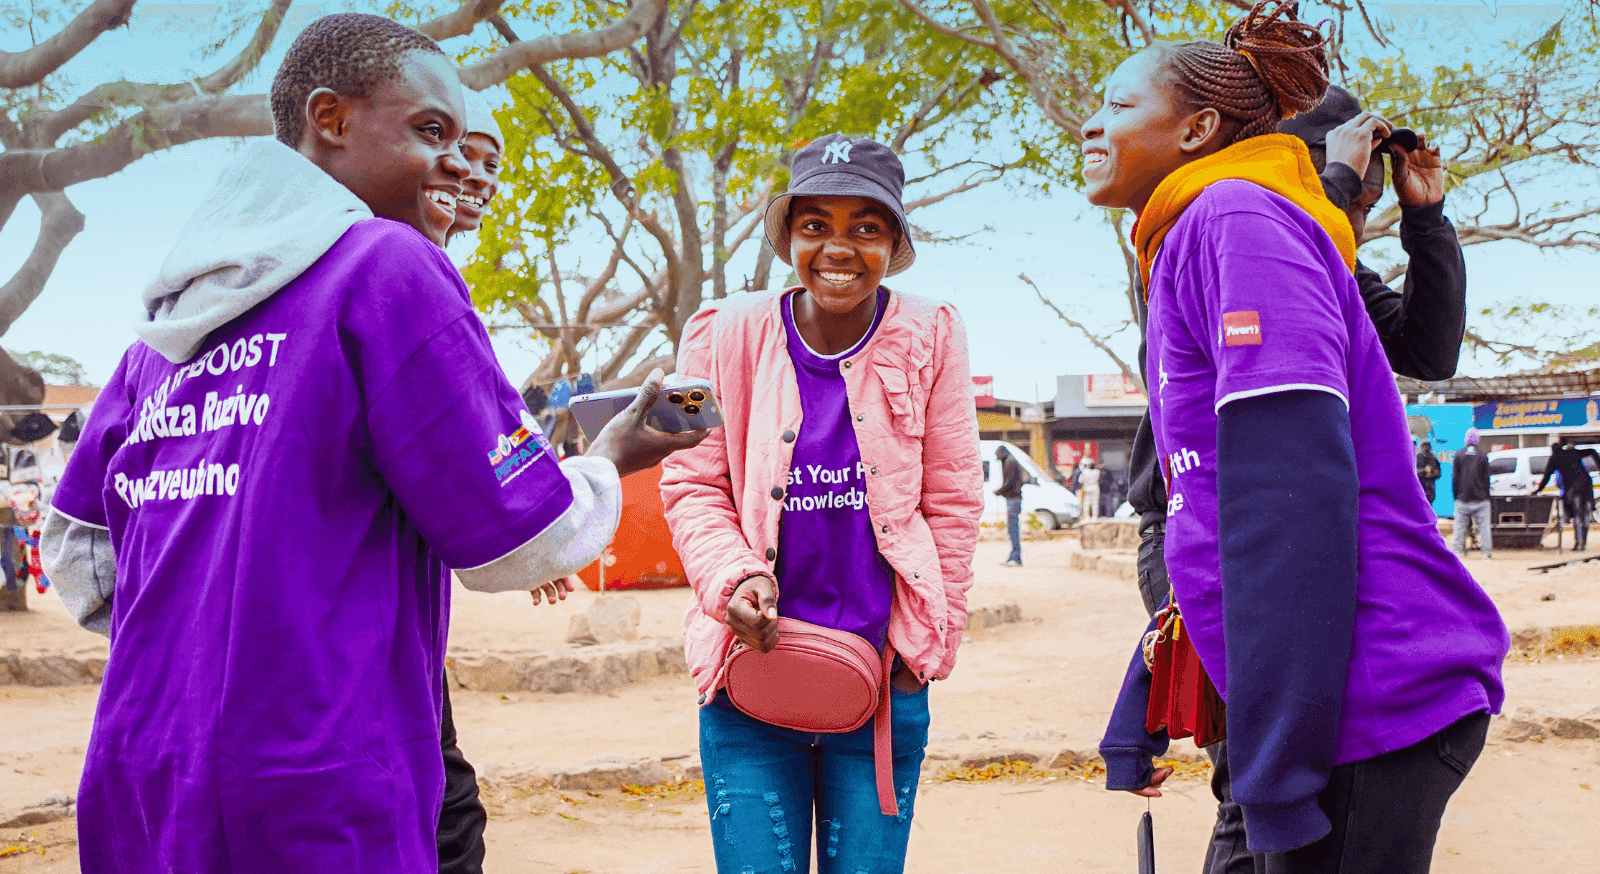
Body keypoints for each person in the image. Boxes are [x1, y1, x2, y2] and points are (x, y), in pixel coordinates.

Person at [38, 15, 702, 873]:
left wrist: (212, 625)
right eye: (432, 132)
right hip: (317, 777)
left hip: (142, 769)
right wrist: (609, 459)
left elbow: (81, 561)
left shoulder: (158, 333)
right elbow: (523, 539)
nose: (452, 163)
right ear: (331, 118)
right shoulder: (385, 268)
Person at [1083, 3, 1508, 872]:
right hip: (1220, 557)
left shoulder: (1250, 221)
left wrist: (1422, 219)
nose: (1094, 122)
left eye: (1121, 105)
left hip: (1314, 618)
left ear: (1206, 133)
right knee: (1248, 807)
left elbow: (1416, 360)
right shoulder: (1212, 225)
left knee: (1258, 806)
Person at [659, 134, 983, 874]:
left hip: (881, 692)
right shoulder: (717, 332)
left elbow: (956, 500)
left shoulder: (933, 332)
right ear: (789, 238)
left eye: (866, 227)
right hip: (748, 691)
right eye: (816, 225)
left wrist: (926, 651)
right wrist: (731, 578)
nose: (839, 247)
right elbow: (690, 483)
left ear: (895, 241)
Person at [1534, 437, 1600, 551]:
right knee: (1585, 516)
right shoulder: (1572, 452)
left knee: (1578, 516)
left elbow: (1546, 476)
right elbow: (1592, 451)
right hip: (1587, 486)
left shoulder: (1555, 458)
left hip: (1573, 489)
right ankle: (1582, 543)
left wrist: (1538, 490)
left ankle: (1579, 544)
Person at [1451, 430, 1493, 558]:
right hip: (1481, 499)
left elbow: (1455, 478)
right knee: (1484, 528)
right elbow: (1487, 478)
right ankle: (1486, 553)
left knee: (1459, 528)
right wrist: (1487, 496)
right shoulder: (1482, 456)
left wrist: (1457, 495)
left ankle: (1457, 552)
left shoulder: (1458, 455)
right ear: (1477, 440)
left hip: (1463, 499)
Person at [995, 445, 1025, 566]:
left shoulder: (1009, 462)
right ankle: (1013, 556)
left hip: (1013, 499)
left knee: (1013, 529)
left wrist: (999, 491)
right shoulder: (1011, 460)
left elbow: (1010, 483)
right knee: (1011, 528)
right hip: (1013, 499)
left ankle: (1016, 557)